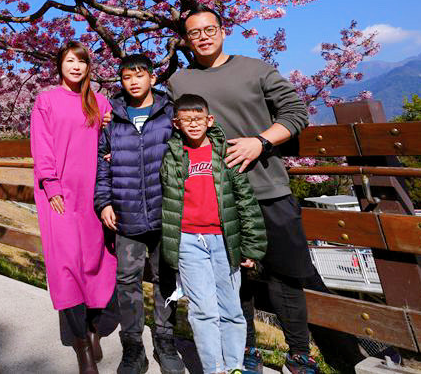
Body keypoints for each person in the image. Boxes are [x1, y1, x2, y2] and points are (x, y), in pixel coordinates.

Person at [168, 7, 354, 374]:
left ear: (223, 31)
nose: (203, 37)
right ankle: (246, 350)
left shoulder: (256, 69)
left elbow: (295, 112)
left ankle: (299, 353)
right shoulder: (179, 81)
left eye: (210, 29)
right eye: (194, 33)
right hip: (218, 199)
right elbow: (168, 124)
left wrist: (261, 142)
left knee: (288, 274)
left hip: (268, 189)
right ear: (186, 40)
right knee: (234, 279)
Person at [160, 93, 267, 374]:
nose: (193, 125)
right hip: (188, 241)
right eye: (186, 120)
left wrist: (252, 248)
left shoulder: (224, 154)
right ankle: (213, 369)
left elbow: (245, 200)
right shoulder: (172, 156)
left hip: (225, 241)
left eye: (198, 119)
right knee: (202, 310)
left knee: (231, 309)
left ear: (210, 120)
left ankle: (234, 367)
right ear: (176, 123)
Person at [30, 41, 117, 374]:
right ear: (60, 65)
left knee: (97, 262)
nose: (76, 67)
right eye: (70, 61)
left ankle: (94, 328)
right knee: (65, 266)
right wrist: (51, 184)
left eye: (82, 61)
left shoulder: (100, 102)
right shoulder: (46, 101)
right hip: (60, 196)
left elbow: (109, 142)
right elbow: (43, 145)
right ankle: (80, 345)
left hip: (94, 196)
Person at [94, 54, 183, 374]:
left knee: (167, 278)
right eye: (127, 76)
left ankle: (165, 340)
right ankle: (133, 347)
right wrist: (103, 203)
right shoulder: (113, 119)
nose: (133, 81)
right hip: (126, 215)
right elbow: (100, 169)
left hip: (165, 213)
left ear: (152, 79)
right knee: (127, 281)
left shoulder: (169, 114)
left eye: (140, 75)